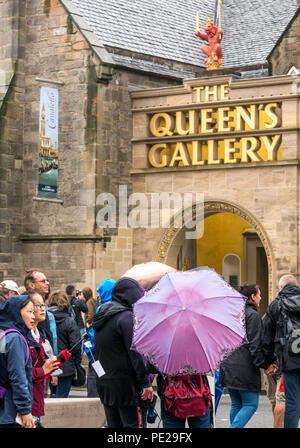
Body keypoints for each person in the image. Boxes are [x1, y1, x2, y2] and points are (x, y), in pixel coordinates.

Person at [93, 277, 153, 428]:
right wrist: (145, 382)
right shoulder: (126, 317)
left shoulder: (102, 316)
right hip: (127, 388)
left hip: (106, 385)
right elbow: (135, 353)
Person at [219, 284, 277, 428]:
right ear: (252, 296)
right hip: (245, 369)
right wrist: (265, 364)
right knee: (251, 405)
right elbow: (255, 346)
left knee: (237, 404)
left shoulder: (232, 314)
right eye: (259, 294)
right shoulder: (252, 315)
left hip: (229, 365)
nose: (261, 298)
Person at [262, 274, 300, 428]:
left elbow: (266, 337)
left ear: (281, 287)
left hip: (289, 360)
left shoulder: (276, 304)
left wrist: (269, 360)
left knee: (292, 401)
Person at [0, 295, 35, 428]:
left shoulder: (3, 334)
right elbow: (18, 377)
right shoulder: (15, 338)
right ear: (16, 312)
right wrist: (25, 410)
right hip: (10, 413)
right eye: (29, 311)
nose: (33, 316)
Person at [26, 290, 61, 427]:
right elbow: (19, 373)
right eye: (38, 305)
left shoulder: (40, 333)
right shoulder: (21, 337)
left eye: (43, 305)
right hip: (25, 402)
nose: (43, 309)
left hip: (37, 398)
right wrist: (43, 370)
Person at [83, 279, 116, 398]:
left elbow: (94, 332)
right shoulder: (119, 307)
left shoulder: (102, 309)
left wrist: (88, 346)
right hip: (110, 358)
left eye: (100, 291)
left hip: (97, 355)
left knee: (95, 387)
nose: (97, 295)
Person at [48, 291, 82, 398]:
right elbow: (76, 346)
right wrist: (76, 362)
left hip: (49, 364)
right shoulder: (69, 321)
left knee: (53, 395)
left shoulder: (45, 319)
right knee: (62, 397)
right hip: (66, 364)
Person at [66, 285, 88, 351]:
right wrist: (82, 300)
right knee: (80, 344)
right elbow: (85, 309)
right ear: (73, 292)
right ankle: (79, 360)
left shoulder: (64, 301)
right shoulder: (78, 301)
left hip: (68, 326)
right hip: (79, 325)